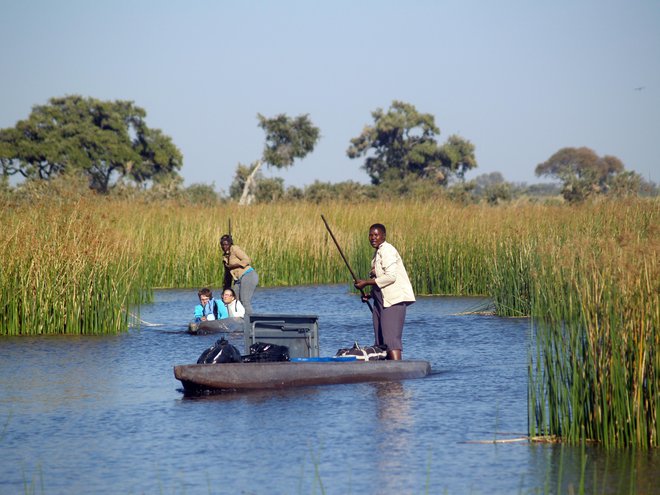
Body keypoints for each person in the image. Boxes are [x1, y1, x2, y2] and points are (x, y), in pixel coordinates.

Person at [354, 223, 415, 361]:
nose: (372, 238)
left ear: (383, 236)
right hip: (380, 301)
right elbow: (381, 281)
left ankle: (396, 374)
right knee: (380, 340)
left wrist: (366, 282)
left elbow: (390, 277)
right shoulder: (377, 253)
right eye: (370, 235)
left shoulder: (388, 250)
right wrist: (369, 294)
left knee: (391, 340)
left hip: (393, 302)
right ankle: (384, 379)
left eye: (376, 235)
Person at [220, 234, 258, 314]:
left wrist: (233, 265)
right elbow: (228, 276)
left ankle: (250, 321)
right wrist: (225, 290)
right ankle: (236, 320)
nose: (224, 247)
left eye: (226, 244)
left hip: (248, 275)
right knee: (233, 300)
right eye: (222, 245)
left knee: (244, 300)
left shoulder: (235, 249)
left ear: (230, 244)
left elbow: (247, 260)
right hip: (238, 280)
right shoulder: (225, 258)